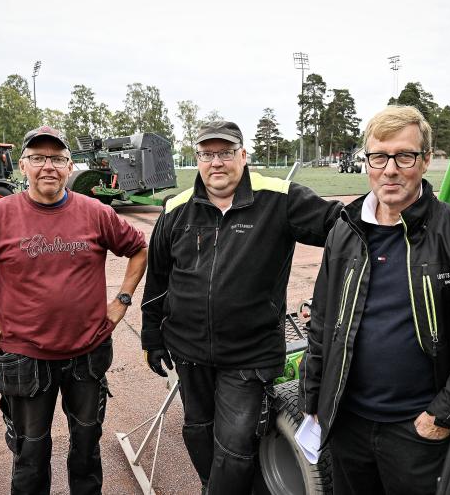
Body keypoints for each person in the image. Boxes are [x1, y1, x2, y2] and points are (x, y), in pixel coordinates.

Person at [0, 125, 148, 494]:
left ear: (69, 165)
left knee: (87, 449)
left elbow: (138, 248)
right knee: (30, 454)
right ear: (23, 166)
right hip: (25, 359)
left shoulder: (96, 212)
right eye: (38, 158)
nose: (49, 167)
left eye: (57, 159)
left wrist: (121, 300)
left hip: (87, 354)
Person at [299, 106, 450, 495]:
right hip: (349, 424)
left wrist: (442, 415)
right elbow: (324, 321)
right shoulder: (344, 231)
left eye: (404, 156)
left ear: (425, 161)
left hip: (419, 432)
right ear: (367, 162)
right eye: (379, 156)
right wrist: (314, 397)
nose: (390, 169)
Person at [141, 121, 341, 494]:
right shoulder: (176, 208)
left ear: (243, 155)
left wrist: (390, 203)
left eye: (225, 152)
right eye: (207, 154)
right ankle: (210, 485)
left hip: (249, 354)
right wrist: (152, 336)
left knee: (234, 444)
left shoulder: (280, 198)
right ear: (197, 158)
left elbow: (341, 226)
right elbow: (158, 280)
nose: (216, 162)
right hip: (188, 350)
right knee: (198, 431)